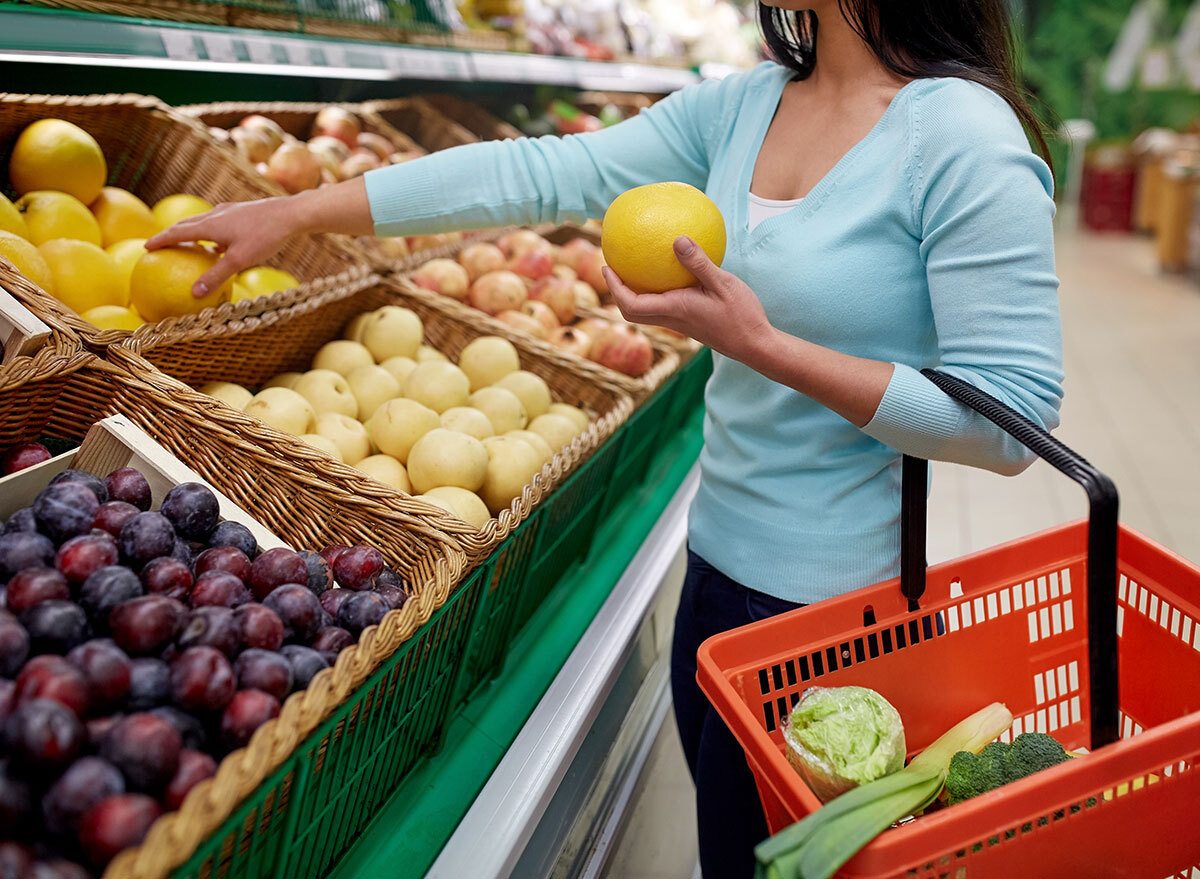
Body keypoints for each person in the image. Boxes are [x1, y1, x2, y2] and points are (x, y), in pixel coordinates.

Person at [147, 0, 1063, 872]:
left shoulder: (960, 137)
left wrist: (763, 348)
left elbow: (1011, 417)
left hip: (832, 621)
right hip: (713, 586)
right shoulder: (748, 104)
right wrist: (300, 209)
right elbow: (536, 171)